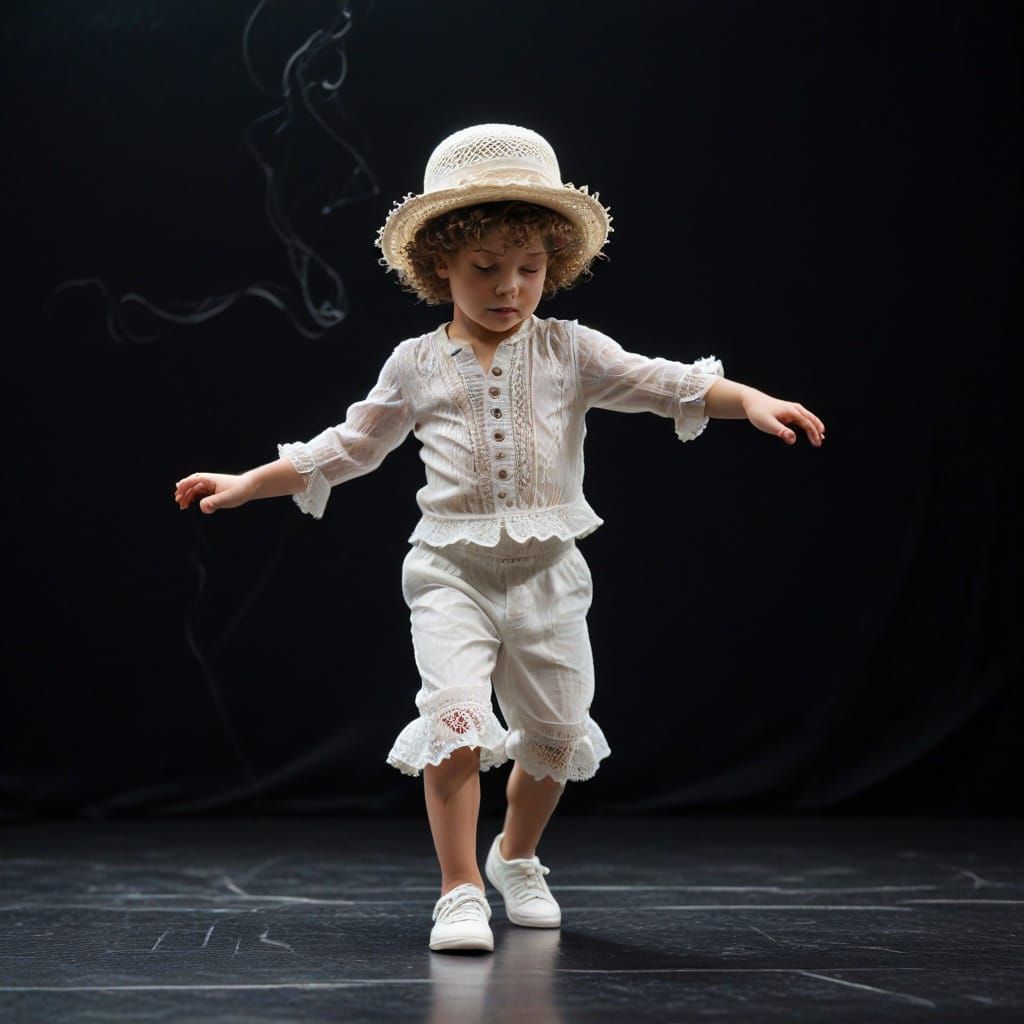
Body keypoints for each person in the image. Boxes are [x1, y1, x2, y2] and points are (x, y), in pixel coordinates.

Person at [173, 123, 826, 954]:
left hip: (550, 574)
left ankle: (516, 856)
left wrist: (751, 399)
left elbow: (667, 382)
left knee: (555, 736)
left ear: (554, 264)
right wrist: (247, 483)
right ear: (440, 263)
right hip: (449, 571)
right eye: (485, 268)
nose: (510, 287)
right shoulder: (416, 363)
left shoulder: (571, 349)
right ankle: (459, 891)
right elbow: (345, 447)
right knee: (456, 720)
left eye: (530, 269)